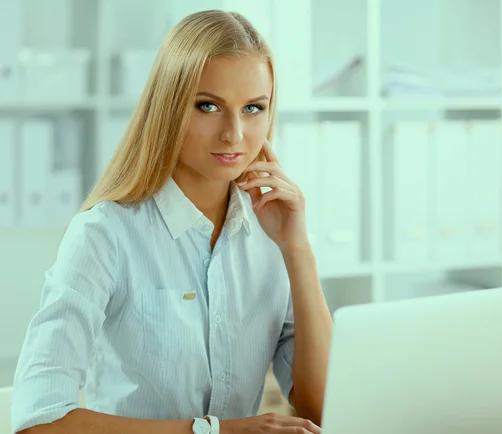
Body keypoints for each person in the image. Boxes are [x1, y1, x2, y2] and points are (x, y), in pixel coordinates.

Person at [10, 9, 331, 434]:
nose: (234, 134)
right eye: (208, 106)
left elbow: (323, 409)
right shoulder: (104, 235)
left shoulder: (271, 234)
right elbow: (38, 421)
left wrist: (298, 251)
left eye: (254, 108)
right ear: (170, 107)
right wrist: (214, 431)